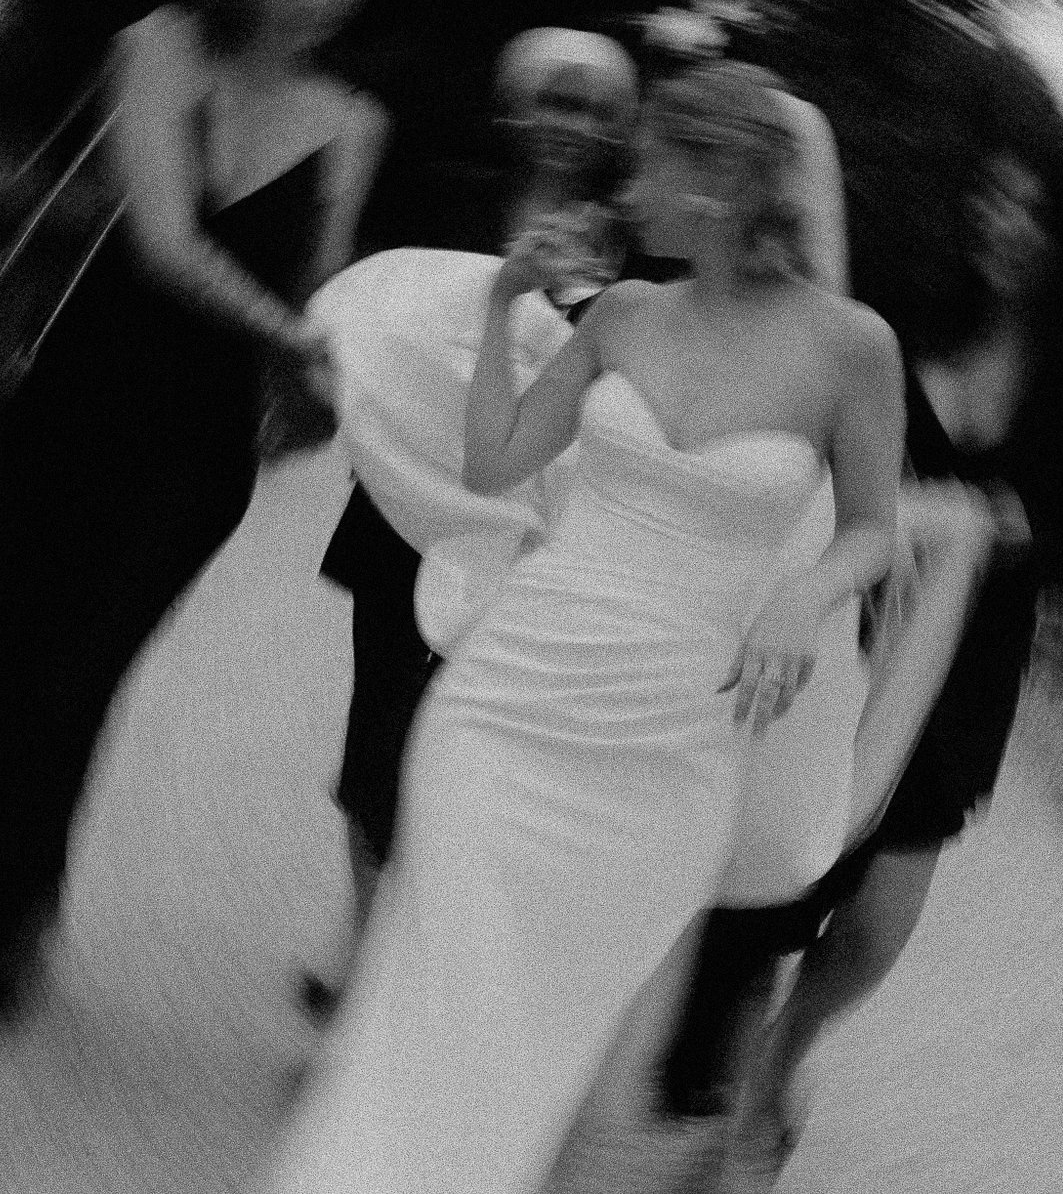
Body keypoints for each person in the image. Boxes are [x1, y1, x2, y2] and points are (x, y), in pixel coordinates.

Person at [260, 61, 903, 1194]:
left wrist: (804, 595)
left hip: (671, 733)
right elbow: (496, 461)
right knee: (436, 993)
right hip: (509, 699)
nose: (629, 179)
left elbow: (869, 531)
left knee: (570, 1022)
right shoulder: (623, 312)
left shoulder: (850, 347)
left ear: (716, 180)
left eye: (653, 156)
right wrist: (503, 297)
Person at [0, 0, 386, 1191]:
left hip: (196, 453)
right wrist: (298, 338)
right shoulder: (156, 47)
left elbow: (318, 292)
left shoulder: (353, 121)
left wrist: (327, 381)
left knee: (75, 679)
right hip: (76, 405)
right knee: (9, 668)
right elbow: (161, 239)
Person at [671, 90, 1063, 1178]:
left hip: (963, 668)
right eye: (991, 200)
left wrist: (1023, 545)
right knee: (780, 877)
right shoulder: (899, 324)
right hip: (842, 631)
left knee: (875, 923)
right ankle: (727, 1105)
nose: (1000, 222)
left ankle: (787, 1048)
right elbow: (816, 443)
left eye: (1029, 210)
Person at [307, 27, 645, 1015]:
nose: (570, 123)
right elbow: (369, 316)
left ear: (620, 128)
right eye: (554, 99)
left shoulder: (638, 244)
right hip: (405, 512)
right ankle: (369, 950)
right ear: (514, 107)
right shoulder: (445, 201)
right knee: (379, 738)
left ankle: (424, 961)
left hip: (541, 539)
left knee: (473, 755)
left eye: (594, 109)